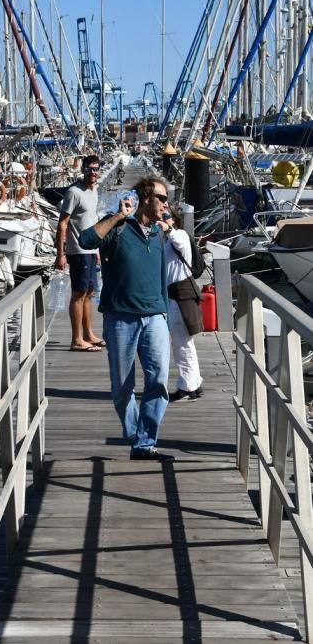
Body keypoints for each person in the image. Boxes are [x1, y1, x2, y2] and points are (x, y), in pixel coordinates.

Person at [79, 176, 174, 461]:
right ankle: (134, 435)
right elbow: (86, 240)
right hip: (120, 317)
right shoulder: (118, 227)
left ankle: (145, 443)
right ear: (146, 198)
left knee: (158, 381)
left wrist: (166, 318)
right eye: (162, 198)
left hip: (155, 315)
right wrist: (119, 215)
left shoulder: (158, 232)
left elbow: (161, 279)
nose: (166, 204)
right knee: (122, 386)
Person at [55, 155, 104, 352]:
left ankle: (88, 334)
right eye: (89, 169)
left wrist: (98, 249)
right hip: (78, 250)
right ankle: (76, 339)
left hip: (91, 249)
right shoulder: (74, 192)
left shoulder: (94, 191)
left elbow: (92, 221)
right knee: (79, 293)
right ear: (83, 170)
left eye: (96, 169)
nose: (93, 173)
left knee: (90, 293)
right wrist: (61, 254)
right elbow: (62, 223)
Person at [164, 203, 204, 401]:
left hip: (181, 295)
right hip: (175, 294)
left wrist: (168, 225)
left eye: (165, 216)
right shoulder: (169, 239)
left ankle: (187, 387)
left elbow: (177, 239)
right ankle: (194, 383)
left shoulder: (179, 235)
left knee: (182, 343)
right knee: (185, 342)